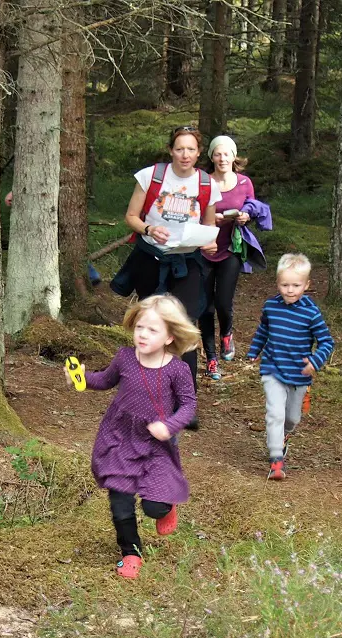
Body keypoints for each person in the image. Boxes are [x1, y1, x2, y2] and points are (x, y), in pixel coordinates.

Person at [68, 294, 200, 579]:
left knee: (153, 507)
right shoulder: (125, 357)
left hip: (157, 443)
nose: (142, 334)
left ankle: (166, 507)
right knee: (120, 501)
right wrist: (81, 377)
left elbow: (189, 405)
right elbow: (104, 380)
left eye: (152, 330)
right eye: (140, 326)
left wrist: (171, 425)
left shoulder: (177, 369)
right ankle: (131, 553)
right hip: (120, 437)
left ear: (168, 337)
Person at [111, 126, 222, 429]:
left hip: (187, 263)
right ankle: (148, 399)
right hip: (151, 259)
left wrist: (209, 242)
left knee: (183, 328)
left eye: (191, 149)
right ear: (171, 150)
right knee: (151, 327)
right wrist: (148, 229)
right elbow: (132, 217)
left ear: (199, 153)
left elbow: (209, 228)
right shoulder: (151, 176)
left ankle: (187, 405)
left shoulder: (206, 183)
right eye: (179, 149)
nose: (185, 155)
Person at [246, 254, 334, 481]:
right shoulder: (271, 306)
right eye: (285, 285)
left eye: (296, 285)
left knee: (292, 418)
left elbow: (326, 341)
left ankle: (283, 437)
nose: (290, 290)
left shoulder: (311, 312)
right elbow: (264, 331)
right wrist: (254, 351)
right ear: (278, 284)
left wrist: (315, 361)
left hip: (299, 374)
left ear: (306, 285)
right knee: (275, 413)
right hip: (273, 369)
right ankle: (276, 460)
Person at [199, 135, 268, 380]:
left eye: (226, 153)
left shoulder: (244, 182)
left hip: (231, 248)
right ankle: (211, 359)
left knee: (223, 303)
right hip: (203, 249)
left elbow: (251, 205)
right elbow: (191, 208)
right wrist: (210, 219)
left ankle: (226, 334)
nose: (222, 158)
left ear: (233, 156)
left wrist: (245, 216)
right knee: (204, 308)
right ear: (211, 157)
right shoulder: (203, 181)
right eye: (217, 153)